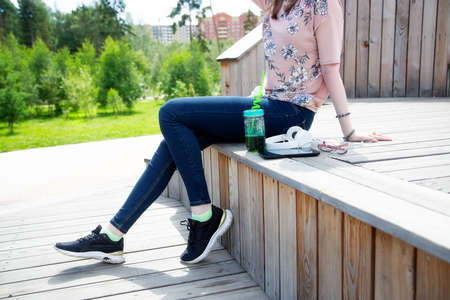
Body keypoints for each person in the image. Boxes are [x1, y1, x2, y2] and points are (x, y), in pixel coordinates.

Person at [54, 0, 392, 265]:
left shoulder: (323, 4)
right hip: (267, 106)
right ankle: (113, 235)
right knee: (172, 142)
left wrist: (349, 130)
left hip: (291, 114)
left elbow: (331, 68)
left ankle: (204, 216)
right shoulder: (276, 2)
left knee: (171, 112)